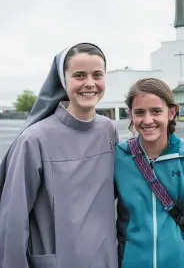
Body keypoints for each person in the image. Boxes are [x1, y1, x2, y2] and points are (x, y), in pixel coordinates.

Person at [0, 43, 118, 268]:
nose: (89, 83)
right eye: (79, 75)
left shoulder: (108, 130)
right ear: (64, 81)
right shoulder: (34, 139)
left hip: (105, 260)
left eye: (97, 75)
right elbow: (12, 221)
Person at [114, 78, 184, 268]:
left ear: (171, 112)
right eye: (139, 112)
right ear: (130, 114)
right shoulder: (118, 158)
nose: (147, 120)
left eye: (155, 111)